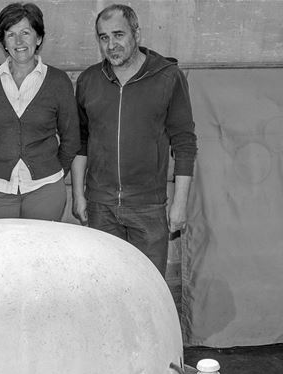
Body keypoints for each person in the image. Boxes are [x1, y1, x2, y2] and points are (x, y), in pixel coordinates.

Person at [71, 4, 197, 276]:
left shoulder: (167, 77)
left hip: (148, 208)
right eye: (104, 37)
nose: (111, 45)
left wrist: (180, 203)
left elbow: (184, 143)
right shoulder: (89, 80)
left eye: (118, 35)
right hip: (100, 206)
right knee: (105, 287)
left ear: (136, 34)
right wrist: (79, 194)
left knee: (150, 290)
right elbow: (81, 141)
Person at [0, 2, 80, 221]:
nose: (19, 42)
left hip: (45, 189)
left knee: (40, 252)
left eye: (25, 33)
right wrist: (0, 162)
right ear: (3, 41)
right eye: (11, 34)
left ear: (38, 38)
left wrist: (52, 172)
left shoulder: (58, 81)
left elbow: (72, 137)